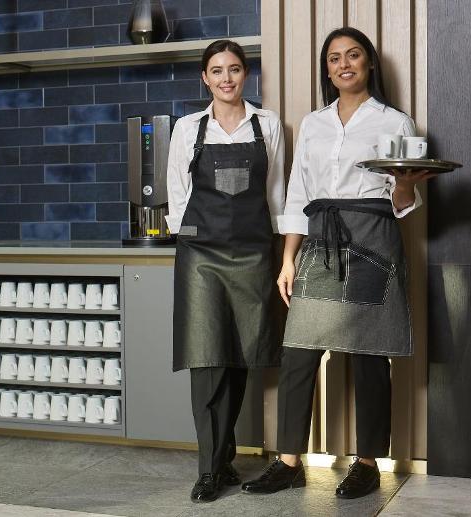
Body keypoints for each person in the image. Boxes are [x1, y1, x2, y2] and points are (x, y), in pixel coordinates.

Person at [241, 27, 434, 499]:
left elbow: (403, 202)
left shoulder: (395, 121)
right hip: (320, 239)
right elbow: (298, 196)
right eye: (333, 59)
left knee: (369, 355)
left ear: (368, 63)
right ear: (327, 69)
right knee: (300, 349)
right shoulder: (313, 123)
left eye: (352, 56)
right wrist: (287, 260)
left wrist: (407, 187)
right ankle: (289, 461)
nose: (343, 64)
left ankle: (368, 462)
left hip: (373, 237)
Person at [166, 39, 287, 503]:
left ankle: (223, 456)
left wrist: (279, 253)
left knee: (238, 355)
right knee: (206, 356)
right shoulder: (188, 128)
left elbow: (275, 192)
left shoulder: (268, 125)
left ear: (245, 75)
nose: (226, 78)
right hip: (202, 255)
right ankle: (209, 469)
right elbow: (178, 195)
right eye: (216, 71)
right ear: (205, 78)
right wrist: (194, 236)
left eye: (234, 69)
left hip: (255, 251)